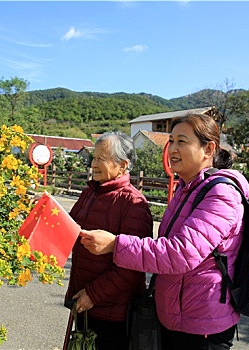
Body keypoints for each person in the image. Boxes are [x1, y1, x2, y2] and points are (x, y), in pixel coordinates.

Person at [80, 113, 249, 350]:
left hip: (203, 325)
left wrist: (115, 244)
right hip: (174, 317)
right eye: (171, 141)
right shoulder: (186, 190)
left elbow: (180, 253)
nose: (173, 149)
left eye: (182, 141)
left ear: (209, 149)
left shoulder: (221, 194)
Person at [65, 131, 153, 350]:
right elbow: (71, 227)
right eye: (93, 158)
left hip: (112, 313)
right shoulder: (90, 192)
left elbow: (133, 267)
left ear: (122, 166)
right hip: (84, 302)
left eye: (100, 159)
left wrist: (92, 295)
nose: (93, 164)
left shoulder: (134, 203)